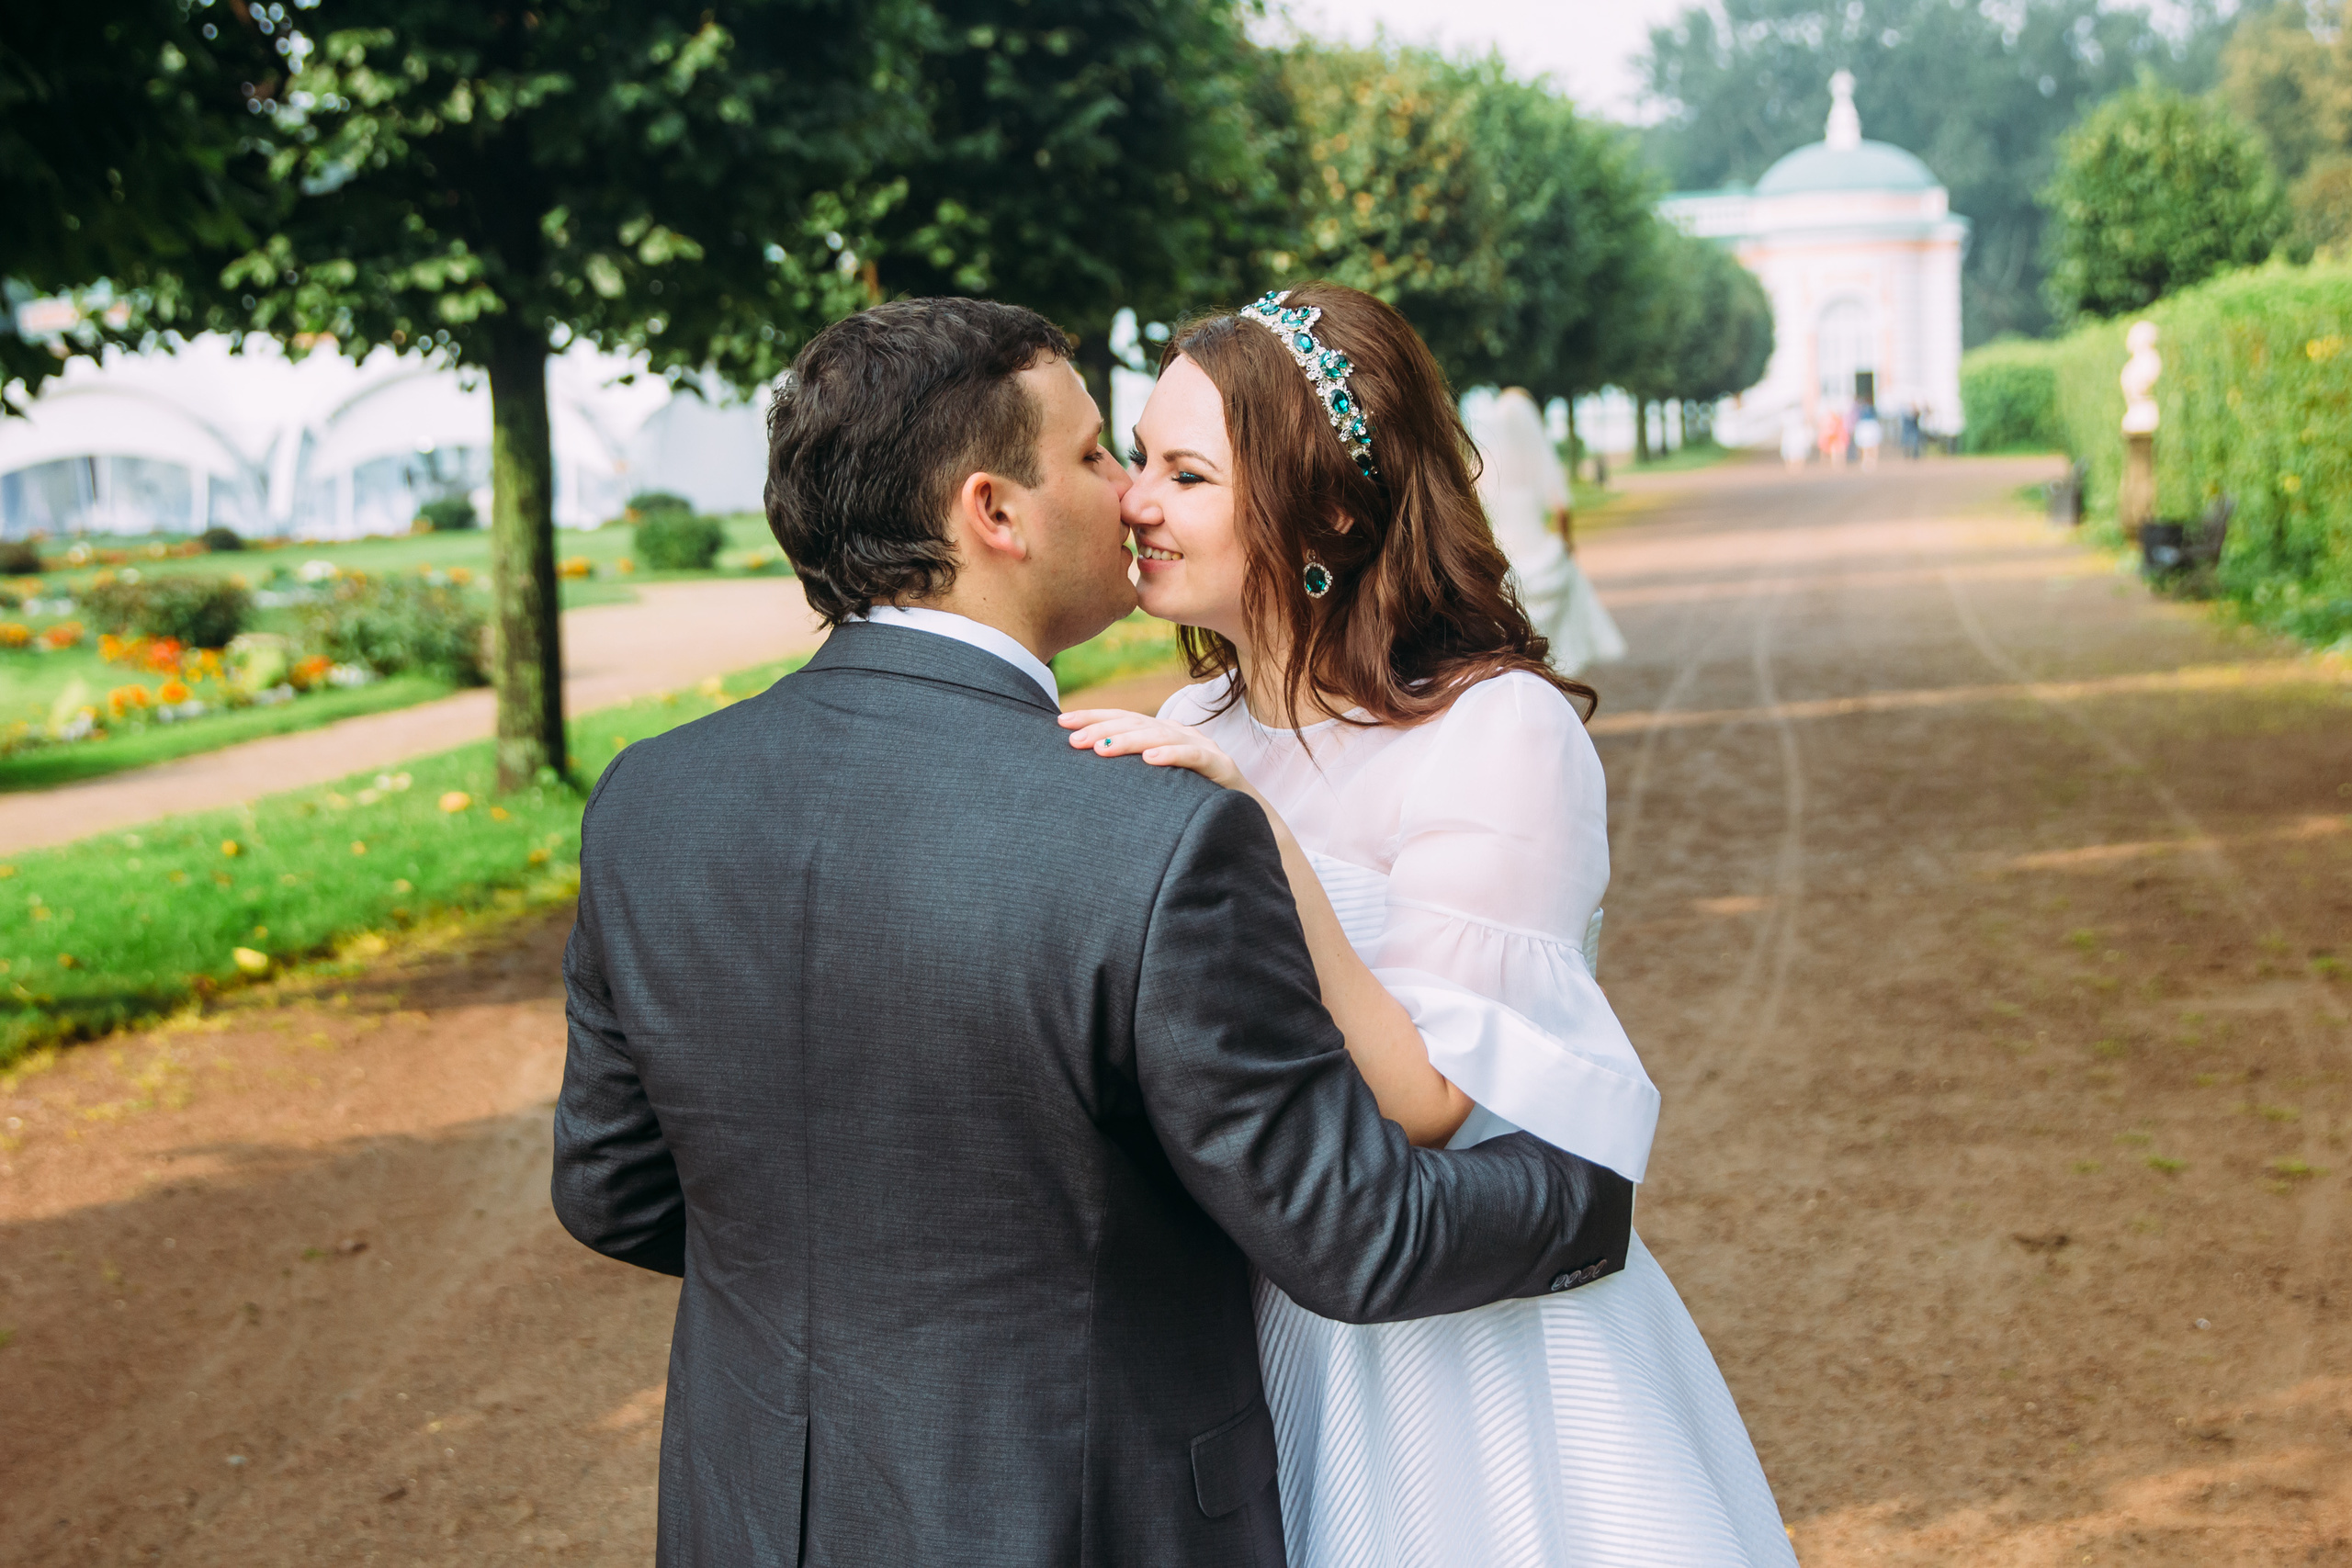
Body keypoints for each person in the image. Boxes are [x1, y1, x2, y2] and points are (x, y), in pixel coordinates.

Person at [552, 295, 1634, 1566]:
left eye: (1168, 464)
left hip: (750, 1509)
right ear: (992, 513)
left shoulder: (647, 799)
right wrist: (1583, 1200)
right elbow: (1346, 1225)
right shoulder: (1143, 830)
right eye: (1099, 455)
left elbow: (612, 1187)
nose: (1127, 494)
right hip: (1073, 1504)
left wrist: (859, 1277)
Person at [1066, 282, 1795, 1567]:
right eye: (1137, 459)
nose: (1136, 501)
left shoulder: (1499, 731)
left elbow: (1431, 1097)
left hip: (1456, 1351)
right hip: (1239, 1331)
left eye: (1185, 472)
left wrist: (1263, 840)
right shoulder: (1189, 735)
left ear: (1332, 510)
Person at [1462, 387, 1626, 676]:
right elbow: (1561, 507)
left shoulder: (1485, 463)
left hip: (1504, 553)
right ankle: (1563, 659)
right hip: (1537, 547)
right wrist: (1566, 542)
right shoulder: (1537, 459)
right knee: (1568, 576)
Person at [1780, 405, 1812, 473]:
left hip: (1796, 434)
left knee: (1797, 451)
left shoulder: (1796, 413)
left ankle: (1797, 467)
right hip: (1793, 434)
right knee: (1792, 451)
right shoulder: (1792, 414)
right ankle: (1792, 467)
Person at [1854, 401, 1883, 470]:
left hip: (1865, 426)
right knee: (1871, 446)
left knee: (1866, 447)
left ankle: (1868, 461)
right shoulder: (1872, 420)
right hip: (1868, 426)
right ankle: (1871, 461)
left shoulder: (1863, 420)